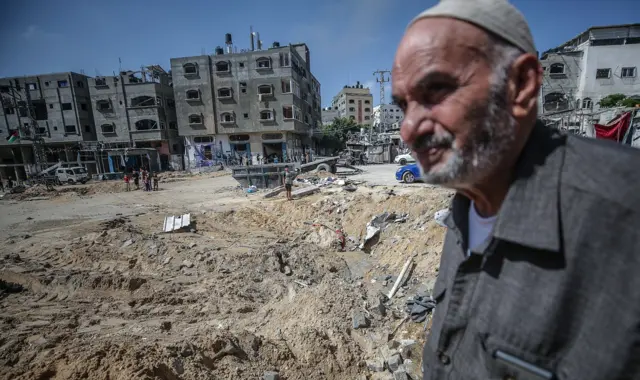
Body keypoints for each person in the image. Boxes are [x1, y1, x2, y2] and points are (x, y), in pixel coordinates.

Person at [392, 1, 640, 379]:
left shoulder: (624, 213)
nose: (408, 129)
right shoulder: (465, 204)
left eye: (436, 90)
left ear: (520, 85)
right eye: (403, 105)